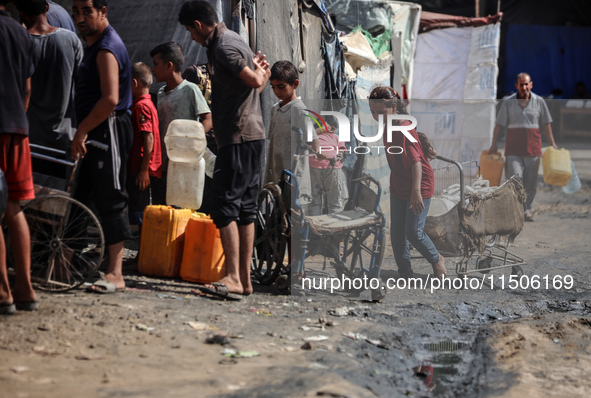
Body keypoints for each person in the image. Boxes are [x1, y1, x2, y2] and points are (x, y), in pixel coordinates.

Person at [179, 0, 270, 299]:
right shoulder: (228, 41)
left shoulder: (224, 47)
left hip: (239, 136)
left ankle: (232, 276)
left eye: (190, 32)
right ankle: (243, 281)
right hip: (250, 135)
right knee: (244, 208)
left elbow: (255, 81)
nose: (191, 38)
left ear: (199, 25)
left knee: (225, 205)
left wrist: (263, 74)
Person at [71, 0, 133, 293]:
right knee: (80, 194)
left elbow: (110, 99)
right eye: (76, 12)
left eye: (87, 11)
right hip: (94, 130)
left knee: (110, 196)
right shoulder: (94, 45)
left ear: (103, 12)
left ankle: (115, 273)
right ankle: (65, 262)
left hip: (107, 128)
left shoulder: (107, 47)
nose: (80, 18)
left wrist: (82, 129)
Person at [369, 86, 446, 279]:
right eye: (372, 112)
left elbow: (416, 163)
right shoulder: (389, 126)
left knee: (413, 232)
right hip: (399, 182)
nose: (376, 116)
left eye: (381, 112)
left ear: (393, 107)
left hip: (419, 184)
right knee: (396, 232)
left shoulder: (403, 128)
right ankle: (405, 272)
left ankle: (437, 260)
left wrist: (416, 192)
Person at [0, 0, 38, 314]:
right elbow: (27, 87)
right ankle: (25, 290)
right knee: (14, 207)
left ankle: (3, 294)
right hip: (17, 129)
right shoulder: (20, 31)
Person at [488, 72, 558, 222]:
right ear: (516, 86)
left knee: (531, 183)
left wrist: (552, 144)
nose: (524, 87)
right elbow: (499, 125)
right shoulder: (508, 102)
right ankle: (515, 210)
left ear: (531, 85)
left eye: (526, 84)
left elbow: (546, 124)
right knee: (514, 181)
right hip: (513, 150)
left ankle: (526, 211)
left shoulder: (539, 101)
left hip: (533, 150)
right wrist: (493, 145)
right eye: (521, 84)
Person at [149, 41, 212, 205]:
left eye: (156, 64)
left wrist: (192, 141)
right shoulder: (161, 93)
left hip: (184, 164)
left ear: (169, 65)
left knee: (181, 207)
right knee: (162, 208)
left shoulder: (190, 89)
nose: (153, 69)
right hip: (162, 162)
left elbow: (208, 118)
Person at [17, 0, 83, 153]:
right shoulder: (71, 39)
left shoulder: (21, 44)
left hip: (31, 138)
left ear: (21, 14)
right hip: (66, 136)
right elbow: (83, 87)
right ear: (47, 7)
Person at [264, 60, 318, 210]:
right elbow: (273, 140)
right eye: (273, 87)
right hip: (276, 167)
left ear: (295, 84)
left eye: (281, 87)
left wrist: (318, 153)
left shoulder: (300, 109)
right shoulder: (275, 109)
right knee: (277, 209)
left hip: (293, 171)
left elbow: (313, 139)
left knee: (293, 211)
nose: (276, 92)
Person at [127, 62, 162, 229]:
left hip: (141, 168)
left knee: (141, 215)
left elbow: (148, 138)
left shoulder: (141, 106)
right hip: (144, 167)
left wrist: (143, 170)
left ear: (134, 83)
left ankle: (143, 253)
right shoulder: (149, 103)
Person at [308, 123, 348, 216]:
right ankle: (334, 227)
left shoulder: (313, 136)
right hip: (332, 166)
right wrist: (339, 155)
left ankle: (315, 228)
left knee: (314, 202)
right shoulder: (336, 136)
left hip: (313, 166)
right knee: (335, 203)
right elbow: (341, 151)